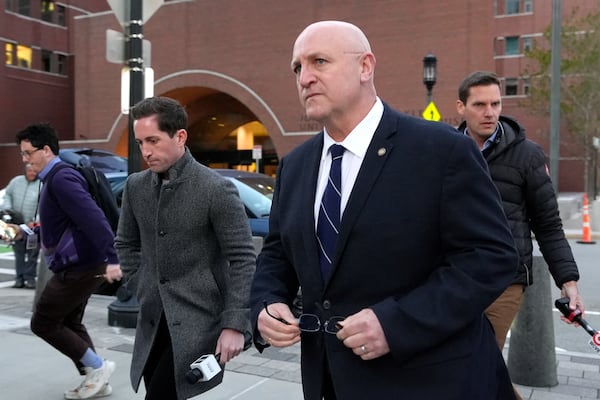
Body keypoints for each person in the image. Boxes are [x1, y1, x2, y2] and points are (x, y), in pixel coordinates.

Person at [250, 20, 519, 400]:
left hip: (430, 382)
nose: (304, 77)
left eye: (319, 62)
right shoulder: (295, 165)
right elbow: (278, 252)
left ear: (365, 67)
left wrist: (397, 323)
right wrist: (266, 303)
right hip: (329, 383)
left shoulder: (441, 150)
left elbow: (491, 257)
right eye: (297, 67)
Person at [114, 96, 256, 400]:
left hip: (199, 322)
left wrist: (234, 324)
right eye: (140, 143)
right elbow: (125, 243)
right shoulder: (136, 187)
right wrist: (140, 283)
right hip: (152, 320)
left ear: (180, 136)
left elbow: (243, 259)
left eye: (153, 140)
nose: (146, 151)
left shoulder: (215, 189)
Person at [456, 71, 584, 399]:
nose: (489, 112)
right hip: (453, 277)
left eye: (495, 103)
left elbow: (549, 225)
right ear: (461, 107)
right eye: (480, 104)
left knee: (475, 363)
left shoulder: (527, 154)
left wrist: (568, 282)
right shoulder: (447, 151)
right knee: (471, 366)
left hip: (505, 280)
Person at [4, 123, 123, 400]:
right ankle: (98, 380)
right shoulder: (53, 179)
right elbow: (60, 224)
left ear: (46, 150)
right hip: (80, 263)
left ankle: (99, 368)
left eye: (28, 153)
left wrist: (113, 258)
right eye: (22, 154)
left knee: (43, 321)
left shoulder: (61, 179)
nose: (24, 160)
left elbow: (94, 219)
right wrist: (27, 231)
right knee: (70, 321)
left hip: (79, 265)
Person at [2, 163, 41, 289]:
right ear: (25, 171)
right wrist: (8, 209)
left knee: (32, 254)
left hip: (32, 227)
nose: (32, 174)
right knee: (18, 253)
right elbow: (7, 195)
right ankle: (19, 279)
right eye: (30, 171)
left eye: (34, 171)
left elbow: (44, 205)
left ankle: (30, 279)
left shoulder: (42, 184)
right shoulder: (16, 181)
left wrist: (36, 220)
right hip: (15, 224)